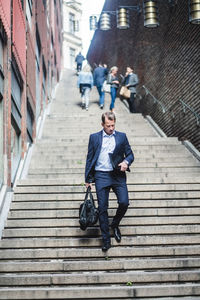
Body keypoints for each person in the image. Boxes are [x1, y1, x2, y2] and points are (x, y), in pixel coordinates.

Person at [85, 112, 134, 252]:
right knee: (102, 208)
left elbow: (130, 154)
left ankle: (115, 224)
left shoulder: (121, 137)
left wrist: (126, 162)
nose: (111, 128)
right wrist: (88, 179)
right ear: (102, 125)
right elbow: (89, 159)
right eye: (108, 126)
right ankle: (106, 240)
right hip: (101, 175)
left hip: (118, 175)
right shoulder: (94, 138)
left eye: (113, 125)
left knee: (124, 202)